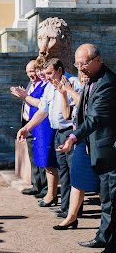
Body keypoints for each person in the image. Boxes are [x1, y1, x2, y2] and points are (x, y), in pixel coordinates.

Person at [56, 44, 116, 251]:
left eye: (84, 63)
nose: (80, 68)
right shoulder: (93, 79)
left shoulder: (107, 83)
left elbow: (95, 118)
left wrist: (73, 136)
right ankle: (104, 237)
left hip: (109, 149)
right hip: (97, 148)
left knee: (111, 198)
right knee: (107, 198)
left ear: (97, 60)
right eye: (77, 64)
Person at [17, 58, 83, 216]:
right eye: (45, 73)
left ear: (60, 70)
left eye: (49, 73)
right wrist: (27, 128)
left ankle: (75, 210)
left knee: (73, 172)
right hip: (58, 132)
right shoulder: (49, 87)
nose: (46, 77)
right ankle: (65, 206)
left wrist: (67, 92)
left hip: (71, 132)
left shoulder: (73, 82)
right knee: (63, 172)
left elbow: (82, 105)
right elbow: (43, 110)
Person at [52, 70, 100, 229]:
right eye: (79, 70)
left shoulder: (98, 88)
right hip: (79, 139)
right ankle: (71, 218)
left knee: (99, 185)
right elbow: (67, 115)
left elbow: (88, 107)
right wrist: (64, 95)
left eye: (85, 70)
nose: (83, 74)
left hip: (94, 140)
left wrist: (69, 90)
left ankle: (109, 221)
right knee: (77, 179)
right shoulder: (81, 89)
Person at [10, 60, 48, 197]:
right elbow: (28, 100)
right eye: (28, 72)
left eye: (33, 71)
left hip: (40, 125)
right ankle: (36, 184)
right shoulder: (31, 84)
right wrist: (22, 95)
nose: (31, 74)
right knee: (33, 156)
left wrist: (25, 96)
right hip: (28, 123)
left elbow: (40, 104)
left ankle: (45, 188)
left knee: (42, 157)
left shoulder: (45, 84)